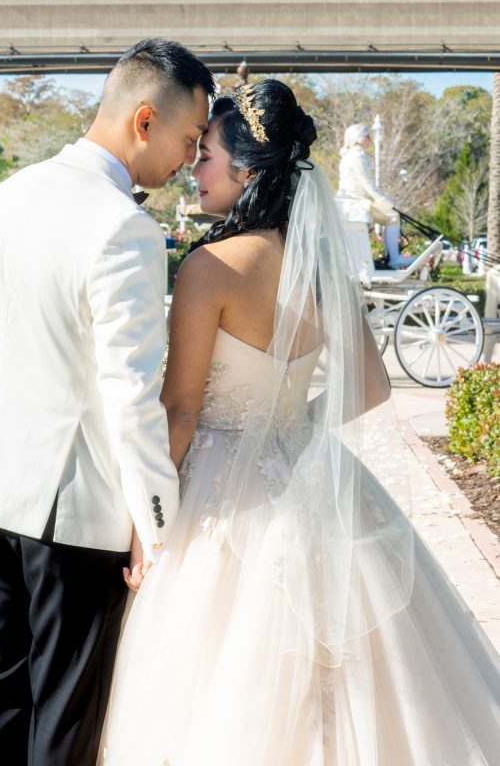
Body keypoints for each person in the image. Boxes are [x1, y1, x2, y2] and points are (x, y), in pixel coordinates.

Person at [100, 80, 500, 765]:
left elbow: (182, 409)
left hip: (223, 493)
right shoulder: (316, 266)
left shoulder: (209, 268)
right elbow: (369, 388)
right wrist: (289, 426)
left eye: (207, 156)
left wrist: (147, 521)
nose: (194, 168)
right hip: (307, 474)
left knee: (212, 683)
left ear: (248, 170)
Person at [0, 38, 214, 766]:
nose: (190, 157)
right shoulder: (125, 227)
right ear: (144, 121)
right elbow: (130, 394)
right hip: (75, 517)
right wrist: (159, 527)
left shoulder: (6, 196)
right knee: (65, 719)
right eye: (188, 138)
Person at [336, 123, 414, 269]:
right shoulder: (356, 156)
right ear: (358, 139)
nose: (370, 139)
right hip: (355, 202)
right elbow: (367, 184)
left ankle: (391, 257)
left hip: (353, 201)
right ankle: (394, 259)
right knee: (392, 217)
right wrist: (386, 202)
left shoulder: (352, 155)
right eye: (367, 136)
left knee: (390, 217)